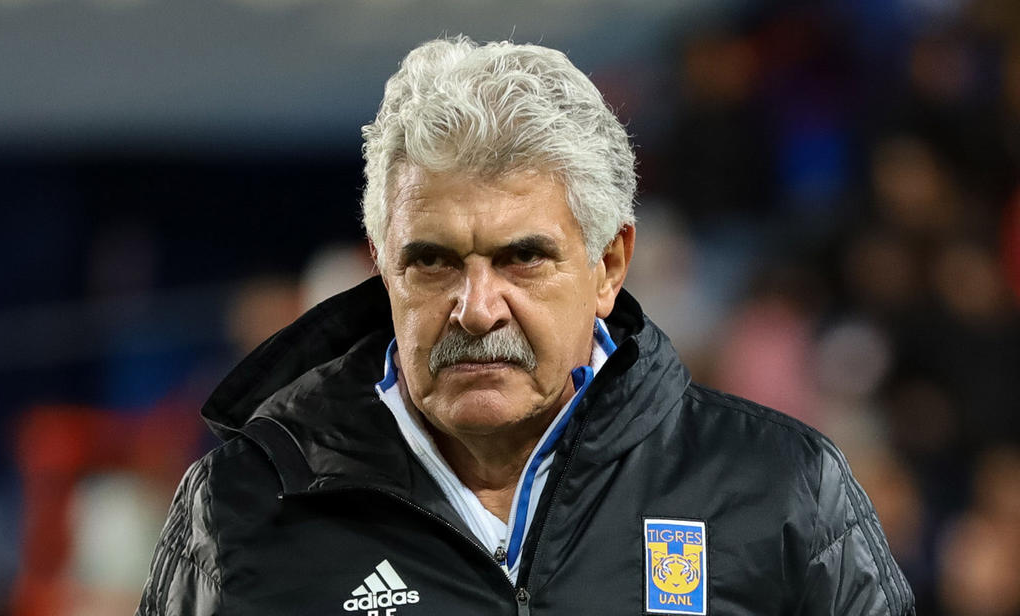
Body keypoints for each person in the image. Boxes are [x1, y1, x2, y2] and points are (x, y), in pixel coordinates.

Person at [137, 36, 914, 615]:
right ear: (382, 267)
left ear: (609, 267)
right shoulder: (237, 510)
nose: (477, 308)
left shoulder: (781, 489)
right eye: (433, 261)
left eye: (523, 258)